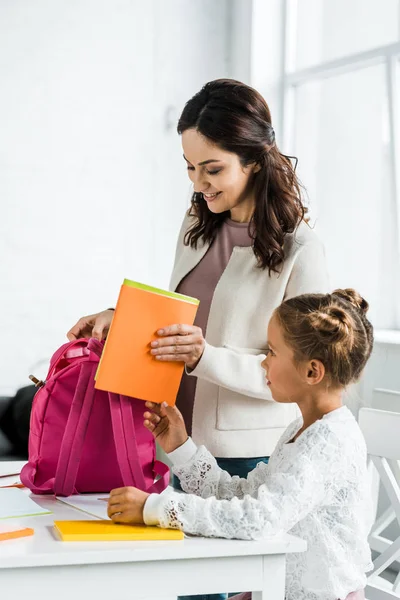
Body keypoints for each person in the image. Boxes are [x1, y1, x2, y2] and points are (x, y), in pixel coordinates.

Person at [68, 78, 328, 600]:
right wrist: (121, 315)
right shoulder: (199, 220)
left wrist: (205, 356)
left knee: (208, 589)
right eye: (190, 167)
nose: (199, 183)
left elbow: (303, 373)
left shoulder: (302, 249)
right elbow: (181, 318)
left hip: (243, 457)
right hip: (180, 442)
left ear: (254, 159)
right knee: (181, 588)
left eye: (213, 169)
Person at [107, 288, 374, 600]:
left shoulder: (329, 442)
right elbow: (243, 495)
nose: (263, 364)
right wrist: (181, 447)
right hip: (279, 589)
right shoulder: (301, 430)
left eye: (272, 353)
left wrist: (155, 508)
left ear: (311, 371)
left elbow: (259, 518)